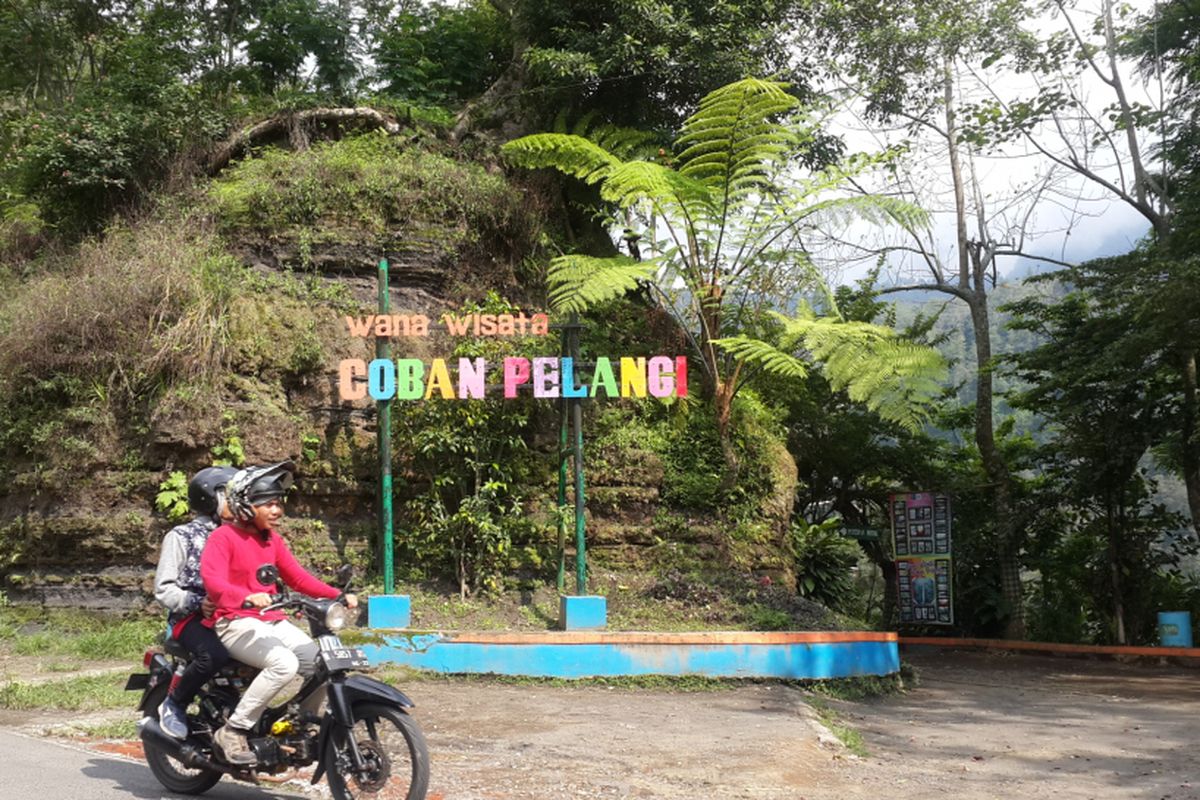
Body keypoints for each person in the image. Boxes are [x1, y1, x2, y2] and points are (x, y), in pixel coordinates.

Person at [200, 461, 357, 766]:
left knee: (325, 663)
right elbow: (213, 583)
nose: (277, 511)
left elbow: (298, 578)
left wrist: (335, 594)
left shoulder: (271, 540)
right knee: (283, 664)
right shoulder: (222, 538)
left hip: (271, 620)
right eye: (268, 504)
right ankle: (234, 729)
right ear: (246, 505)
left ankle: (300, 724)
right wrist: (246, 596)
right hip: (234, 621)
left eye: (278, 503)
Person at [153, 466, 237, 739]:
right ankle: (174, 703)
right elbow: (164, 589)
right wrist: (196, 602)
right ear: (212, 498)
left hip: (233, 615)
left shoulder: (241, 535)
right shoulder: (181, 536)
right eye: (231, 496)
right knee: (213, 655)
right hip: (190, 619)